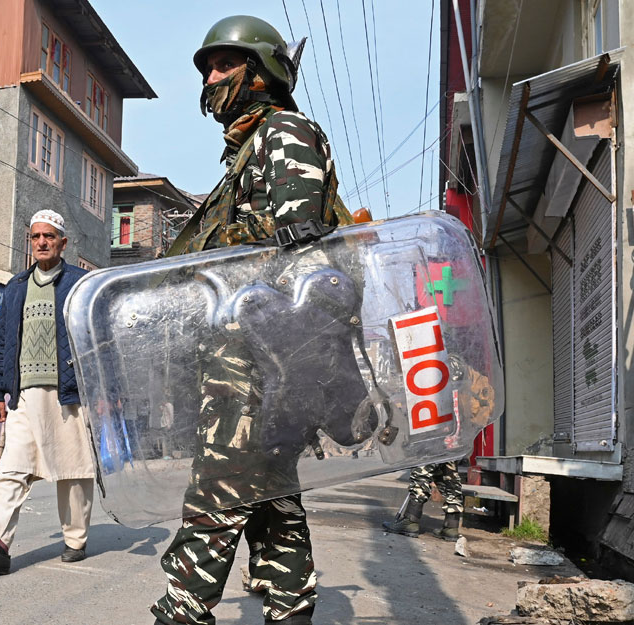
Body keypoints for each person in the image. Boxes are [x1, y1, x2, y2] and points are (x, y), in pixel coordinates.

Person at [150, 16, 350, 625]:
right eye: (207, 67)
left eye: (223, 64)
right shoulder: (245, 151)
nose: (211, 77)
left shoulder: (283, 132)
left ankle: (184, 607)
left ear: (262, 70)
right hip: (248, 350)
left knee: (221, 482)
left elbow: (298, 254)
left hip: (264, 352)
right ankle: (290, 606)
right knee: (268, 491)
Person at [0, 209, 94, 575]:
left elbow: (96, 339)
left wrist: (101, 390)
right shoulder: (16, 287)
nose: (41, 242)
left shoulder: (80, 284)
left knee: (73, 471)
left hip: (67, 394)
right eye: (36, 237)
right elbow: (4, 343)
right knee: (11, 468)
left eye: (49, 236)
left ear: (62, 243)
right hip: (23, 394)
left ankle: (75, 539)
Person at [382, 461, 465, 541]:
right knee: (449, 477)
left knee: (421, 473)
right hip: (453, 447)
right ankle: (451, 527)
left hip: (432, 447)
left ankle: (411, 520)